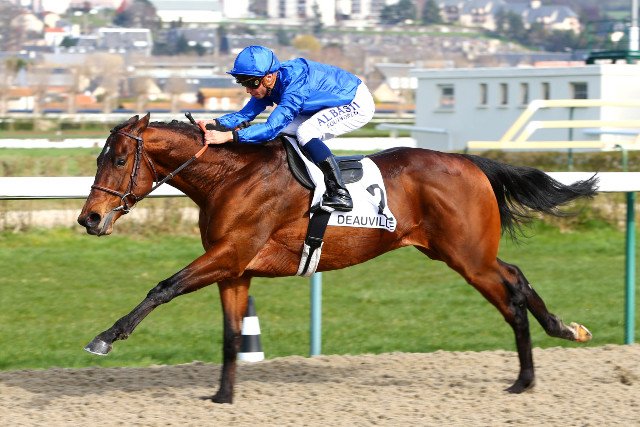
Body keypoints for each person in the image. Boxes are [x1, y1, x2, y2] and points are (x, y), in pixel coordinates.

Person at [197, 45, 376, 212]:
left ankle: (340, 192)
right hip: (322, 102)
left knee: (306, 132)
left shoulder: (293, 87)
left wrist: (229, 136)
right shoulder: (268, 83)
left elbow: (270, 128)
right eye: (242, 82)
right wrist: (215, 123)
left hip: (354, 101)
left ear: (268, 77)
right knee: (283, 133)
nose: (247, 90)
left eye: (251, 83)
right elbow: (245, 114)